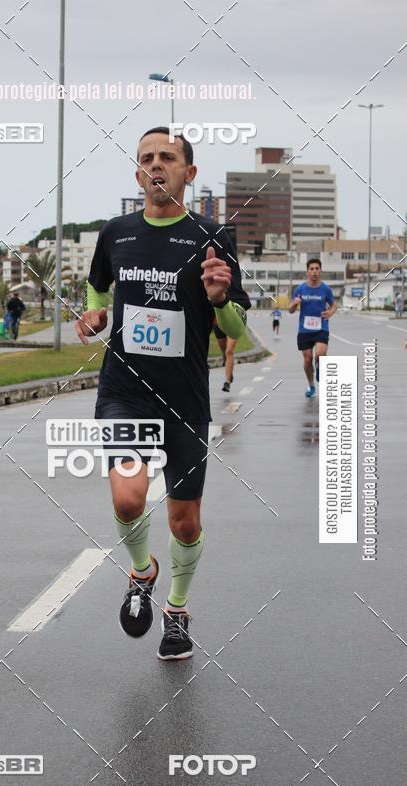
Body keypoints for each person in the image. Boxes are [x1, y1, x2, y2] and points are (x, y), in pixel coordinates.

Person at [75, 126, 249, 660]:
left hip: (185, 399)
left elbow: (237, 328)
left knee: (184, 521)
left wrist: (218, 299)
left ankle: (177, 609)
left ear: (188, 173)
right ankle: (142, 571)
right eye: (147, 158)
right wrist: (95, 314)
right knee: (128, 498)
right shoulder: (116, 233)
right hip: (124, 390)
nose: (156, 165)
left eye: (168, 157)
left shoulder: (211, 237)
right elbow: (98, 285)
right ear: (137, 174)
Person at [288, 258, 336, 398]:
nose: (314, 271)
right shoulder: (300, 289)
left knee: (320, 354)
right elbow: (290, 310)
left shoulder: (326, 289)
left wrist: (330, 313)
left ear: (320, 271)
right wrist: (294, 304)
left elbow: (334, 305)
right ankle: (311, 385)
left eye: (317, 269)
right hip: (305, 329)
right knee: (308, 359)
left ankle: (320, 366)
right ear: (307, 272)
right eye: (312, 269)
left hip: (321, 327)